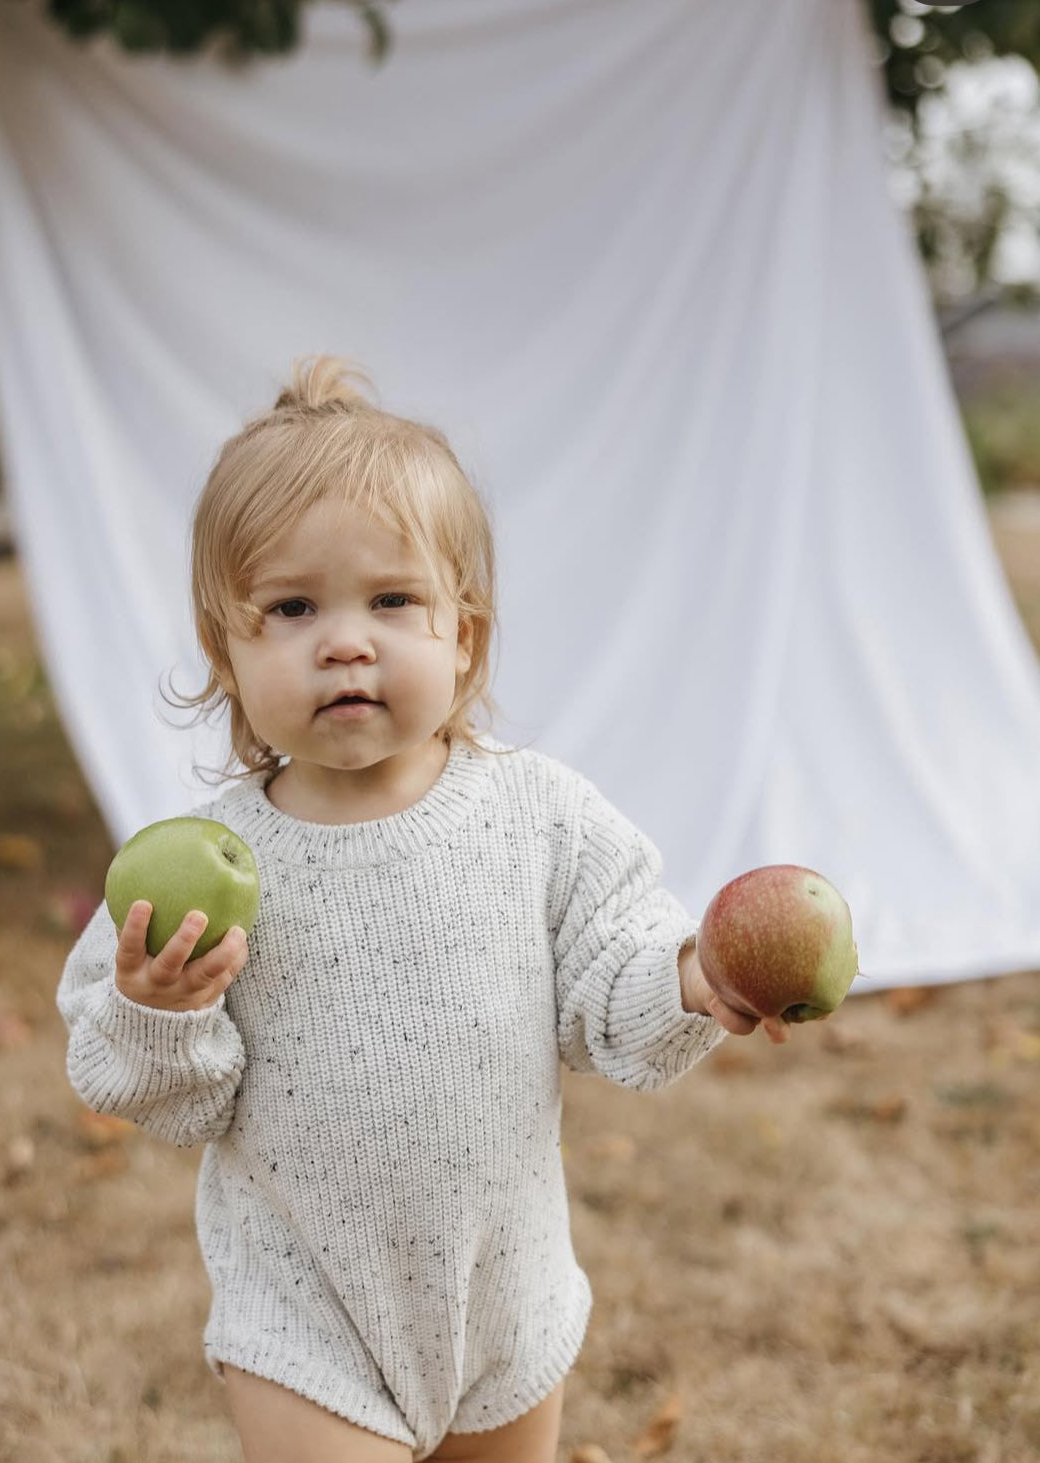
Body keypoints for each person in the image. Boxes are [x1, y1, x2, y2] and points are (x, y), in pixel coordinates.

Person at [56, 356, 788, 1463]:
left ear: (464, 636)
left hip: (504, 1293)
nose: (345, 640)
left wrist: (699, 976)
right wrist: (158, 1006)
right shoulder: (203, 864)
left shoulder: (539, 815)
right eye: (292, 607)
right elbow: (160, 1090)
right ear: (229, 656)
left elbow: (614, 979)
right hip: (305, 1307)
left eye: (392, 600)